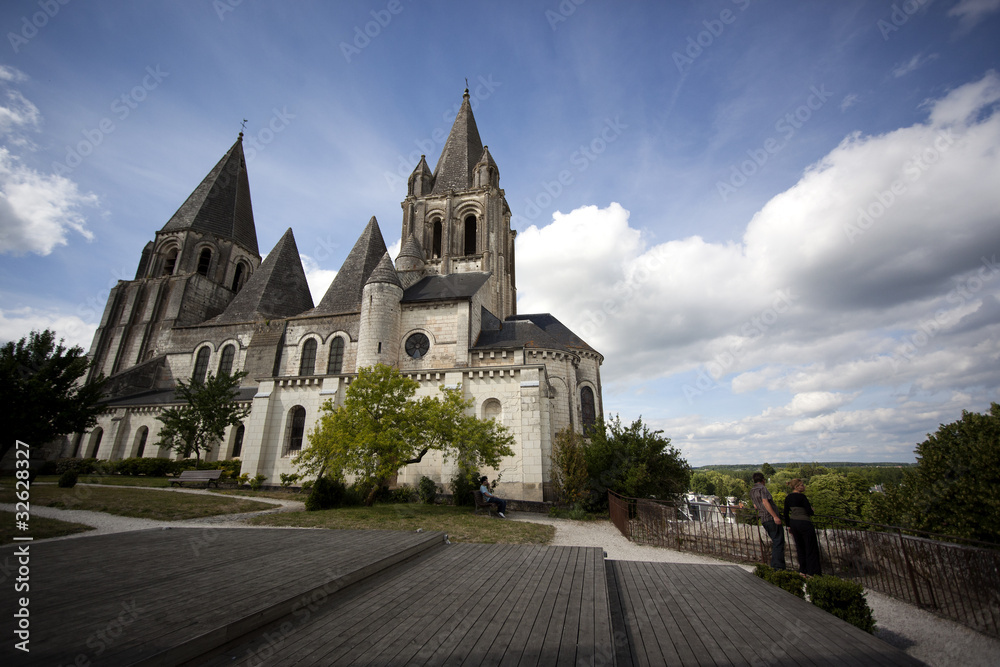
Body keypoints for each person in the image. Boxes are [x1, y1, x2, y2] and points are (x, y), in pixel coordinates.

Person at [783, 478, 822, 576]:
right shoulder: (802, 497)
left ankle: (803, 570)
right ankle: (813, 572)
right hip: (804, 523)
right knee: (810, 547)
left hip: (794, 523)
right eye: (802, 485)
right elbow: (809, 512)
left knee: (800, 548)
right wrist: (812, 510)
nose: (803, 486)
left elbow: (785, 513)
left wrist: (788, 525)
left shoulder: (788, 498)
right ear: (796, 487)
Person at [749, 472, 785, 569]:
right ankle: (778, 567)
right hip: (770, 517)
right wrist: (775, 516)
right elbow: (765, 502)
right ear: (763, 480)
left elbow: (755, 506)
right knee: (778, 542)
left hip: (763, 518)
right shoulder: (762, 488)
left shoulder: (752, 490)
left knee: (775, 541)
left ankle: (775, 565)